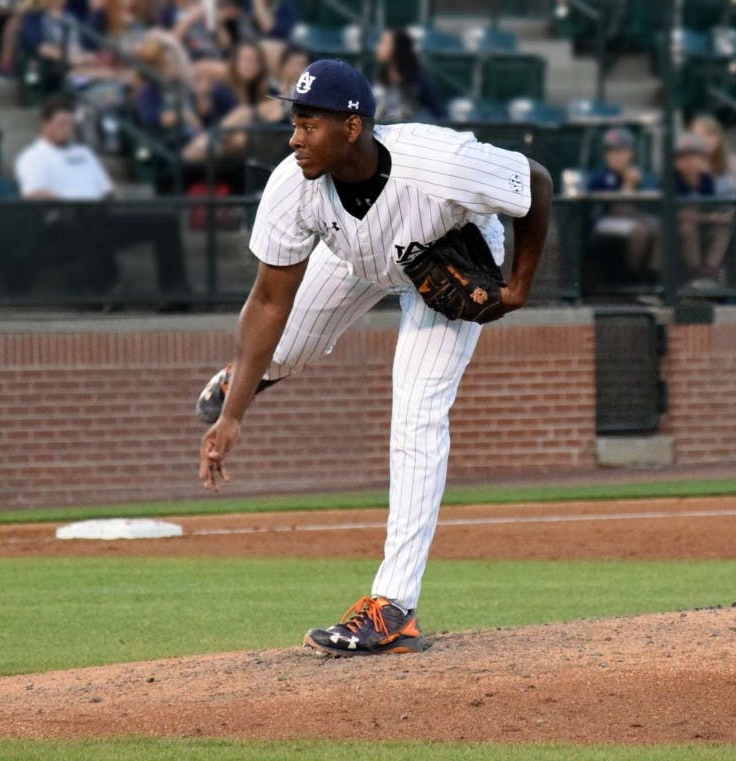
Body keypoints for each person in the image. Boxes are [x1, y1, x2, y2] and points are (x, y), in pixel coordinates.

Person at [195, 60, 552, 656]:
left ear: (353, 126)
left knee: (417, 414)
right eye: (294, 121)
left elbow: (534, 181)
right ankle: (246, 377)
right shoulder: (295, 183)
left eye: (309, 124)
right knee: (281, 349)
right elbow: (267, 299)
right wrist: (233, 415)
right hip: (356, 254)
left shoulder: (442, 163)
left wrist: (518, 286)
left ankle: (392, 607)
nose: (294, 137)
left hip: (442, 256)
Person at [14, 94, 190, 302]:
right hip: (62, 223)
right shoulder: (33, 156)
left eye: (70, 124)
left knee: (165, 221)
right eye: (61, 123)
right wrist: (70, 203)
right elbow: (33, 194)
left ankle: (174, 294)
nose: (66, 128)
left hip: (101, 215)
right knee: (89, 218)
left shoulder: (84, 153)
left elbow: (108, 190)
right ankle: (103, 291)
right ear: (45, 124)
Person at [585, 127, 660, 285]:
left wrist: (636, 182)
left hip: (635, 218)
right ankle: (632, 277)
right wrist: (628, 183)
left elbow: (651, 198)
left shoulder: (641, 174)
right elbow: (613, 207)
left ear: (630, 153)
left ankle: (653, 275)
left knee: (658, 227)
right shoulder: (601, 176)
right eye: (611, 151)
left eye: (621, 150)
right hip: (603, 221)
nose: (616, 156)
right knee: (638, 231)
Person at [674, 131, 730, 287]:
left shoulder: (706, 179)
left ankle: (709, 270)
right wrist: (710, 217)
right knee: (688, 227)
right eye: (684, 157)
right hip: (675, 229)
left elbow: (710, 208)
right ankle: (694, 274)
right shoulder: (672, 180)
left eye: (695, 157)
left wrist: (716, 217)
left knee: (724, 226)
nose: (690, 161)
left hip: (703, 226)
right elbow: (681, 214)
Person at [373, 27, 445, 122]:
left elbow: (438, 113)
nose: (378, 47)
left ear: (397, 47)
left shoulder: (419, 82)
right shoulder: (377, 79)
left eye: (384, 43)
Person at [690, 114, 736, 198]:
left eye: (710, 135)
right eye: (700, 136)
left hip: (735, 208)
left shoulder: (729, 160)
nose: (705, 140)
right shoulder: (689, 165)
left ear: (719, 137)